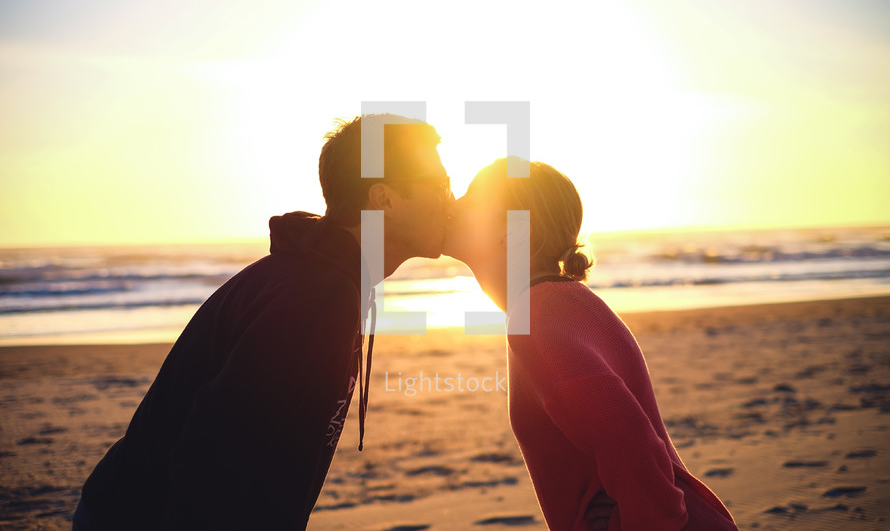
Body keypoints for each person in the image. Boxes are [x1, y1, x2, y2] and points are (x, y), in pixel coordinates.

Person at [72, 114, 453, 531]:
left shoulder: (325, 278)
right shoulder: (314, 295)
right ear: (385, 199)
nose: (450, 201)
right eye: (439, 187)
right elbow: (211, 457)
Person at [443, 158, 737, 531]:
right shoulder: (558, 303)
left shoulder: (538, 321)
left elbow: (636, 448)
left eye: (472, 199)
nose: (455, 203)